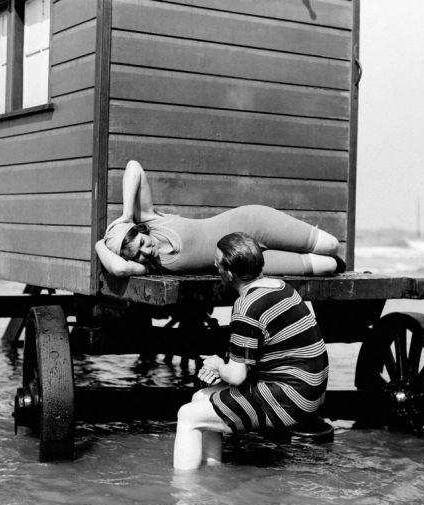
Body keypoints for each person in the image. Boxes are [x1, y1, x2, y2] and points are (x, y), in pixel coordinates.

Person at [172, 232, 329, 470]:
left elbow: (237, 376)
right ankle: (212, 471)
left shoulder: (247, 306)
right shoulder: (280, 286)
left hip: (292, 397)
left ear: (231, 273)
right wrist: (224, 369)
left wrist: (217, 365)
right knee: (199, 399)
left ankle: (185, 495)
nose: (214, 264)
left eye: (218, 261)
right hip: (310, 389)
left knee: (188, 416)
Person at [95, 160, 343, 278]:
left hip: (252, 222)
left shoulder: (151, 221)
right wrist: (99, 244)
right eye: (136, 255)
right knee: (329, 267)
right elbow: (118, 268)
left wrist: (127, 215)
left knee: (331, 245)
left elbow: (134, 167)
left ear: (141, 231)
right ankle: (336, 264)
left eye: (141, 244)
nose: (145, 252)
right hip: (245, 259)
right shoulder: (148, 267)